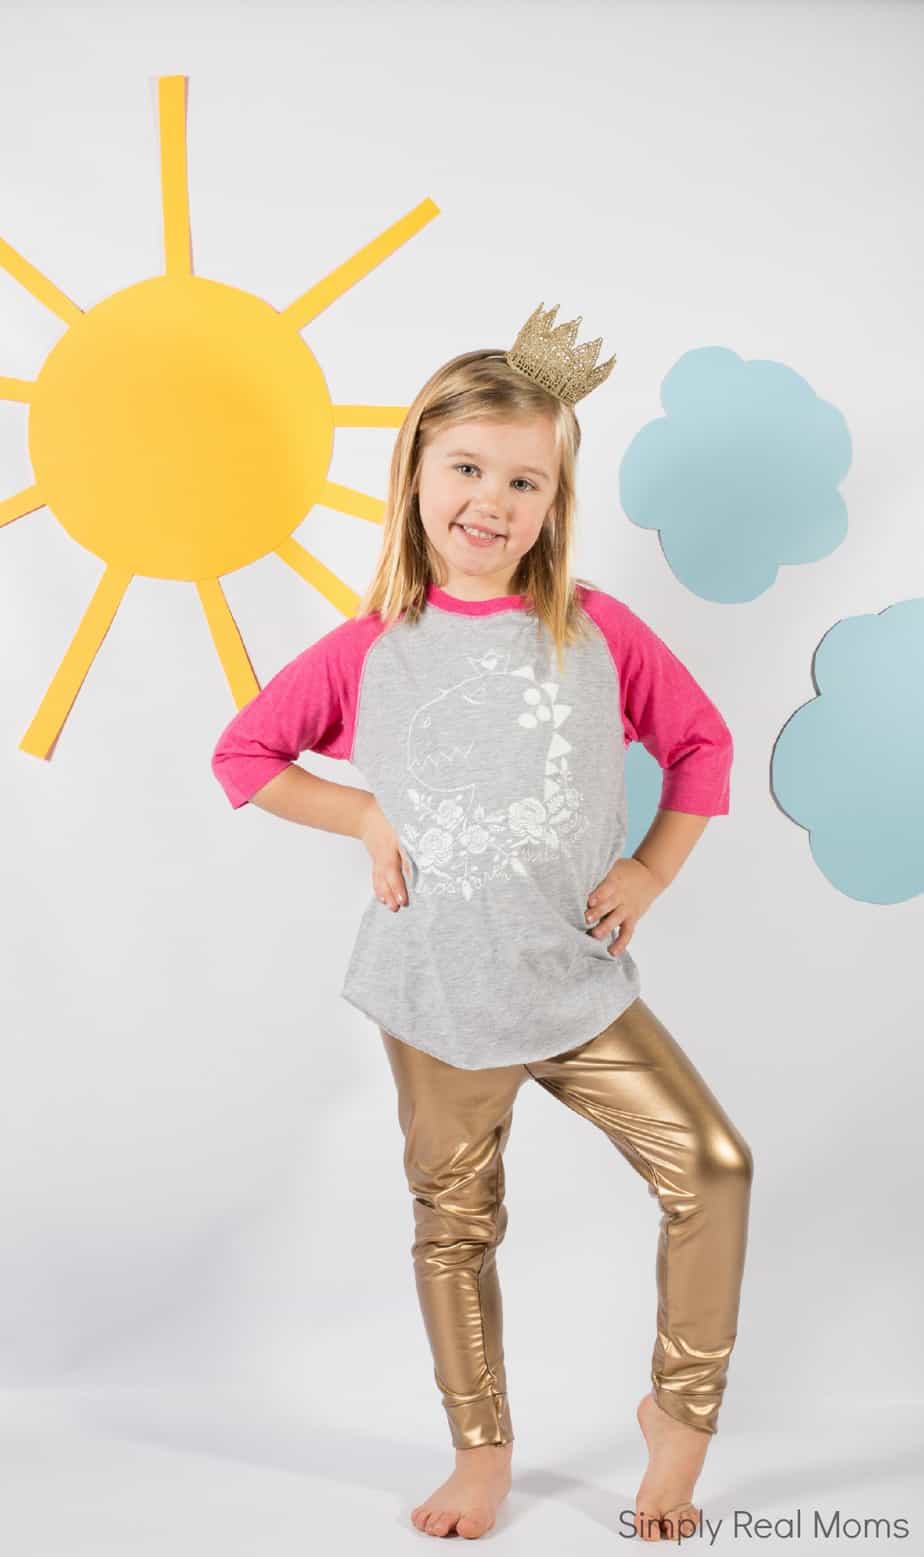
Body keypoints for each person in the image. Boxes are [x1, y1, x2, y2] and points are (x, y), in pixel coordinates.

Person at [210, 302, 753, 1543]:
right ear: (415, 473)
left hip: (575, 983)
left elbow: (702, 744)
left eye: (524, 481)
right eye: (467, 469)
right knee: (456, 1222)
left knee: (713, 1167)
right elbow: (245, 757)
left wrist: (651, 869)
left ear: (554, 503)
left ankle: (679, 1417)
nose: (491, 502)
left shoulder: (595, 633)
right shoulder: (370, 650)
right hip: (439, 990)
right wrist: (361, 814)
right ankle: (482, 1451)